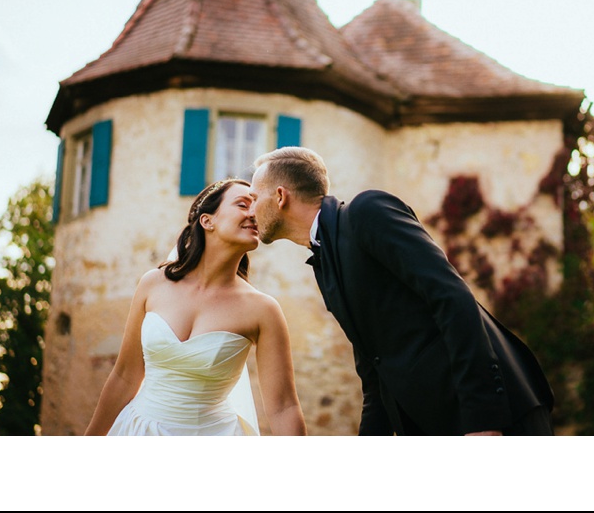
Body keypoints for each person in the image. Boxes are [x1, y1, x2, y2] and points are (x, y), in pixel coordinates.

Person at [249, 147, 555, 436]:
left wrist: (483, 418)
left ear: (280, 196)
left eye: (253, 197)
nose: (250, 209)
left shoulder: (367, 211)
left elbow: (451, 297)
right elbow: (373, 371)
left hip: (497, 417)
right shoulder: (324, 264)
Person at [84, 179, 307, 436]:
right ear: (207, 221)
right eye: (243, 204)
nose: (253, 213)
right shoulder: (153, 284)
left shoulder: (263, 310)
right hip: (138, 431)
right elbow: (124, 376)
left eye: (256, 206)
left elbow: (283, 407)